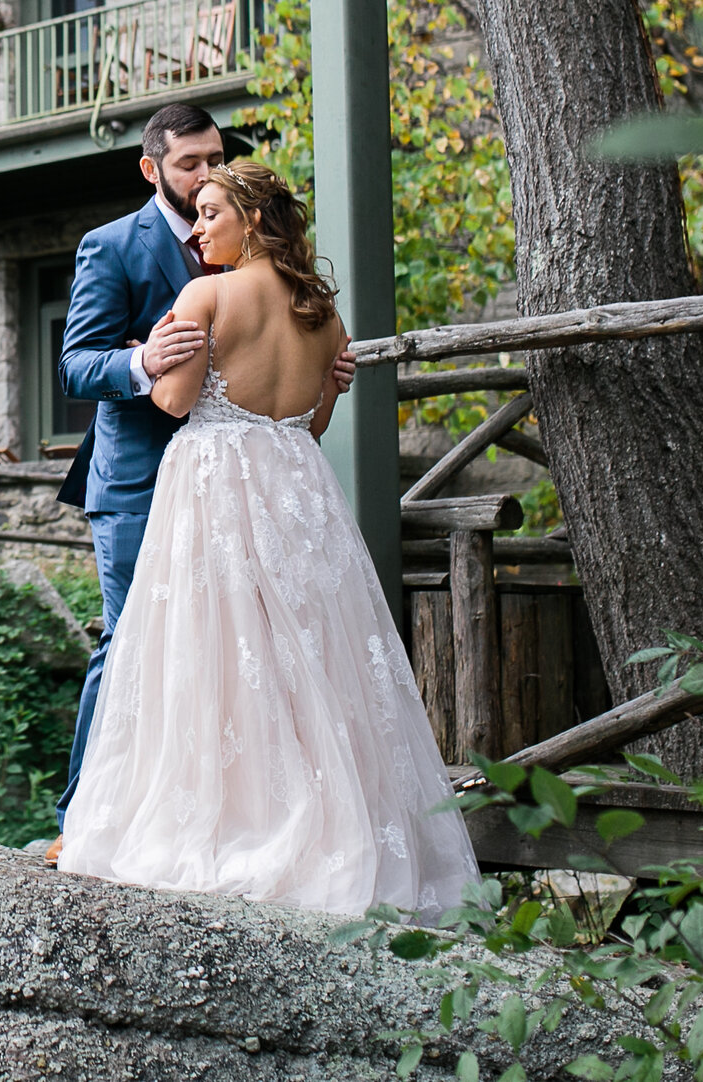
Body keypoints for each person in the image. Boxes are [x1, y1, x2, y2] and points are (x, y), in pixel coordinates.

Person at [56, 160, 477, 917]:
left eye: (212, 212)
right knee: (304, 655)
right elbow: (311, 421)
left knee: (214, 647)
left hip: (216, 484)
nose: (199, 227)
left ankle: (231, 818)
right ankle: (326, 820)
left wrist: (155, 356)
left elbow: (178, 404)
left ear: (251, 220)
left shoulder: (206, 294)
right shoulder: (322, 309)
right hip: (297, 485)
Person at [51, 104, 351, 828]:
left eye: (215, 160)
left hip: (243, 486)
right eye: (190, 164)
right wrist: (140, 359)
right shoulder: (112, 245)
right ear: (153, 168)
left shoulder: (257, 270)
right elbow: (74, 364)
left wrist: (323, 371)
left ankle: (225, 815)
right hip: (140, 480)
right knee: (129, 642)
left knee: (239, 646)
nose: (203, 176)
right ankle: (83, 817)